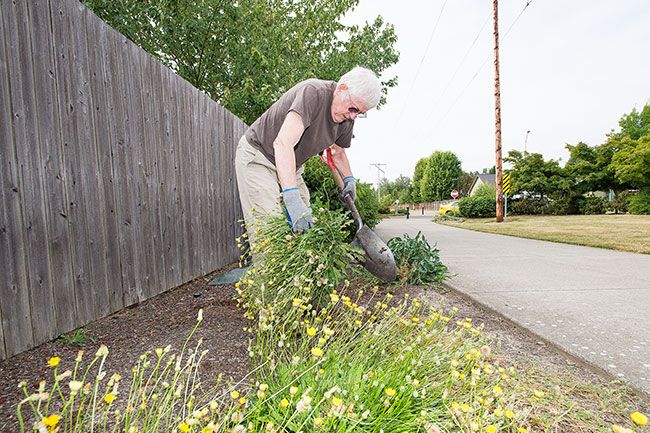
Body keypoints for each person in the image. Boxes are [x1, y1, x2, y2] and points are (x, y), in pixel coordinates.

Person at [235, 67, 382, 239]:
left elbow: (337, 151)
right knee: (269, 232)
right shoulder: (313, 94)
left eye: (360, 113)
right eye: (353, 109)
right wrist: (292, 198)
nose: (353, 117)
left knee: (307, 232)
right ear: (342, 89)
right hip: (259, 157)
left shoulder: (346, 119)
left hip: (292, 166)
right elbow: (283, 143)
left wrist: (349, 180)